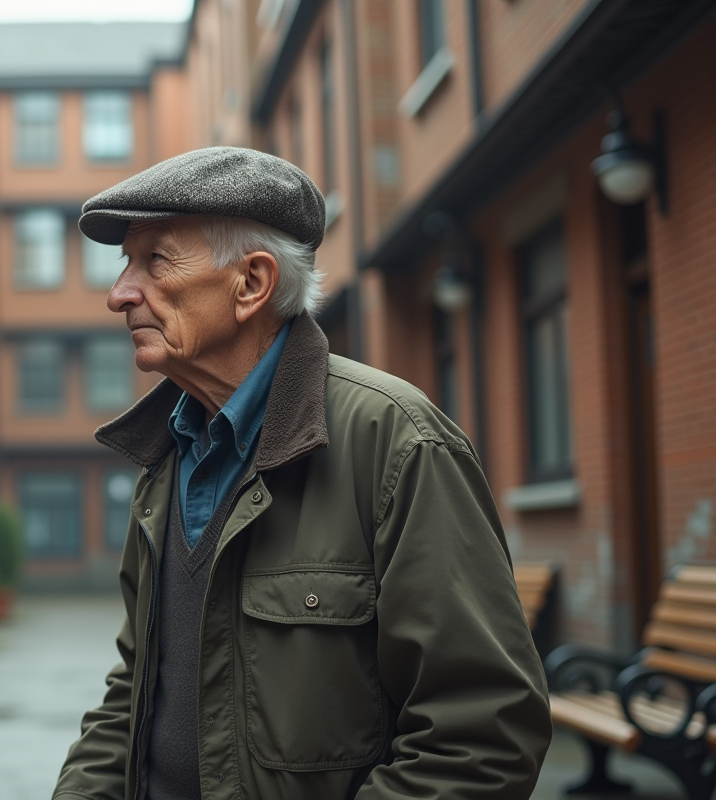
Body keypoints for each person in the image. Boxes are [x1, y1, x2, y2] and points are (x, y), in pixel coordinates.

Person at [52, 147, 552, 800]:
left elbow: (481, 739)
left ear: (252, 284)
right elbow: (137, 684)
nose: (120, 293)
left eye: (155, 261)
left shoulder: (396, 441)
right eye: (125, 265)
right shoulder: (166, 458)